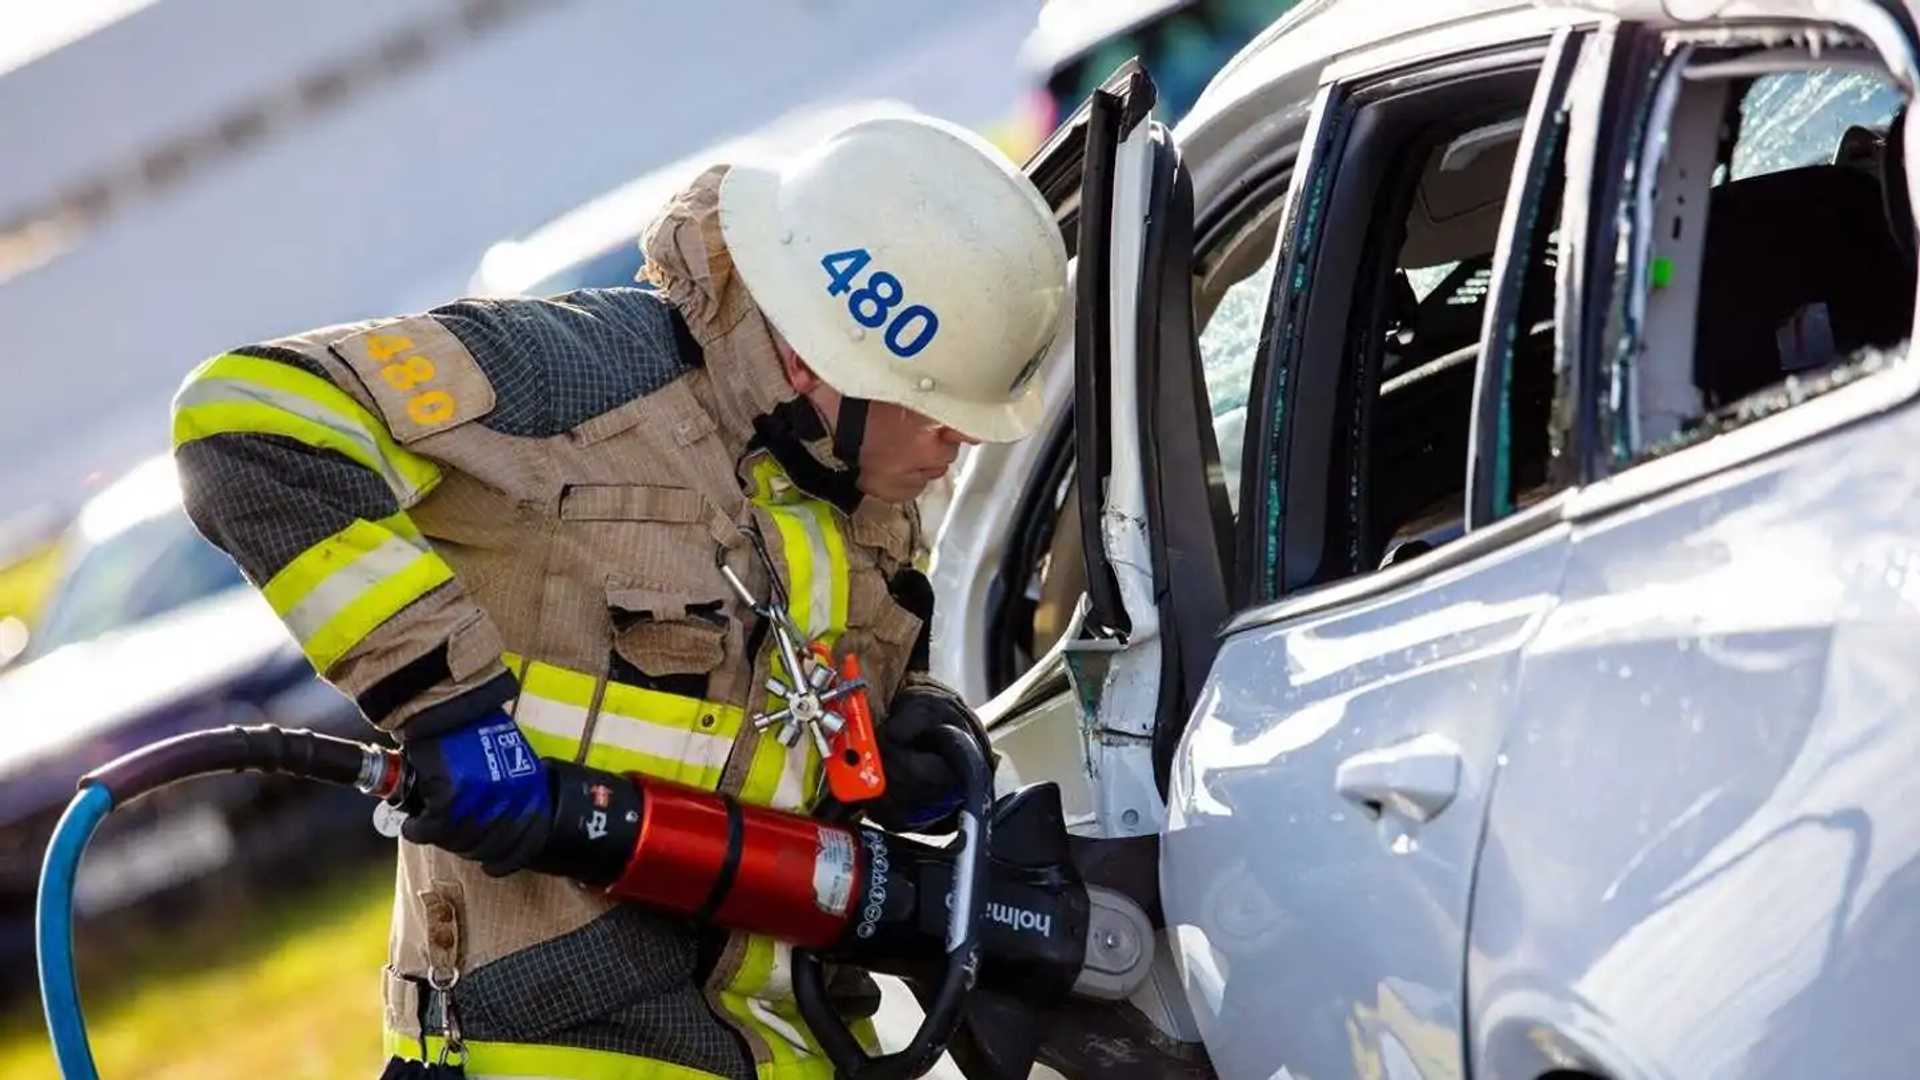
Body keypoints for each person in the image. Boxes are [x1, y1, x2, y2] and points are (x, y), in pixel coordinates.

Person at [169, 115, 1068, 1079]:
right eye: (935, 413)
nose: (957, 446)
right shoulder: (573, 380)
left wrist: (900, 731)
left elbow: (775, 704)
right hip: (548, 1050)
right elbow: (249, 414)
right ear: (819, 358)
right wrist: (448, 704)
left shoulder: (862, 494)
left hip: (798, 1046)